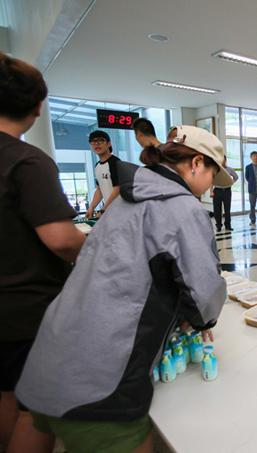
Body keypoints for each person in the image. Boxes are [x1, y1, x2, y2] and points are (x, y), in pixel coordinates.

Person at [15, 125, 228, 453]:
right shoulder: (184, 208)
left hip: (51, 351)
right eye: (213, 174)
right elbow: (205, 299)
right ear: (197, 163)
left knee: (31, 430)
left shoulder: (125, 197)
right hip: (100, 373)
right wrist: (200, 318)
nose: (211, 185)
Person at [0, 50, 86, 453]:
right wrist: (97, 249)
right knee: (35, 410)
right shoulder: (27, 161)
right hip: (24, 308)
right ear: (37, 107)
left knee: (6, 392)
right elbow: (61, 239)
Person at [84, 130, 121, 219]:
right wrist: (91, 207)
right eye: (93, 141)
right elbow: (99, 190)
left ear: (109, 144)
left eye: (100, 140)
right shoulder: (97, 166)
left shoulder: (115, 163)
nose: (96, 144)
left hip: (121, 210)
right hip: (110, 211)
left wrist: (104, 210)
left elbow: (118, 190)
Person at [211, 156, 238, 231]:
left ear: (225, 160)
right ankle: (218, 225)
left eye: (223, 159)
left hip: (227, 191)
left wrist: (230, 183)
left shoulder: (229, 169)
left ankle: (228, 225)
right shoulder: (215, 169)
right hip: (217, 191)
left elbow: (236, 177)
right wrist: (211, 191)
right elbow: (211, 180)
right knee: (217, 209)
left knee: (227, 209)